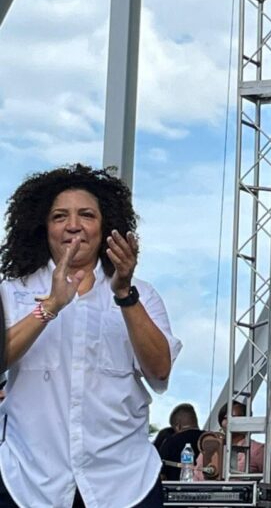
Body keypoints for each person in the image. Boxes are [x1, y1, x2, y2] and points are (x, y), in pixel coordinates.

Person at [0, 164, 181, 508]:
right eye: (59, 217)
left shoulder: (143, 294)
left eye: (86, 215)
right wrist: (50, 306)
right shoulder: (12, 292)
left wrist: (125, 295)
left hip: (124, 485)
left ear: (105, 228)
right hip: (28, 483)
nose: (73, 226)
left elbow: (160, 374)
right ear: (44, 228)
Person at [158, 403, 204, 481]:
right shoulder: (210, 439)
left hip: (176, 491)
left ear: (177, 426)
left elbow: (160, 475)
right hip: (210, 490)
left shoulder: (170, 442)